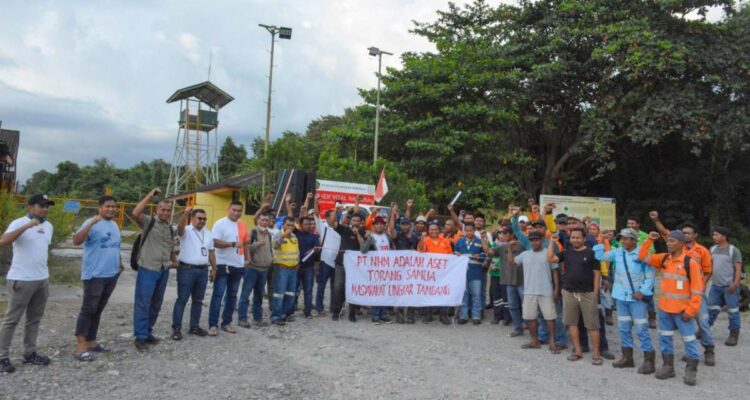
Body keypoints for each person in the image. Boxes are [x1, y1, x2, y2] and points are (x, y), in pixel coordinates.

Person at [638, 231, 703, 386]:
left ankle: (691, 371)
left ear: (681, 243)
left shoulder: (690, 263)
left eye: (672, 241)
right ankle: (668, 367)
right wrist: (649, 240)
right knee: (665, 338)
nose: (669, 243)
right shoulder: (664, 258)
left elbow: (697, 290)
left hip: (683, 312)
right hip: (665, 309)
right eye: (668, 241)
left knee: (689, 340)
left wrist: (691, 310)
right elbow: (642, 256)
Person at [650, 212, 716, 365]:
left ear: (695, 235)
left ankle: (708, 350)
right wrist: (655, 220)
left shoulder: (702, 251)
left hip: (695, 293)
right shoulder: (675, 248)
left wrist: (700, 285)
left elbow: (708, 271)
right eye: (684, 233)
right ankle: (689, 353)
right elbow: (664, 231)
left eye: (688, 233)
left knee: (703, 323)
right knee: (684, 328)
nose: (686, 235)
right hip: (678, 296)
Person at [0, 194, 55, 373]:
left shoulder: (48, 226)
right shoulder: (19, 222)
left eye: (47, 206)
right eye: (41, 205)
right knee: (11, 319)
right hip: (21, 279)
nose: (45, 209)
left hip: (41, 279)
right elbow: (4, 241)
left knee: (34, 318)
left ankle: (30, 352)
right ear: (30, 206)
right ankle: (2, 356)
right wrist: (27, 226)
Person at [593, 228, 656, 374]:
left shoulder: (643, 254)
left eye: (626, 238)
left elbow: (651, 276)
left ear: (634, 240)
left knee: (641, 329)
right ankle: (627, 358)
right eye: (622, 238)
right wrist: (601, 241)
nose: (623, 241)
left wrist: (643, 292)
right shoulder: (617, 252)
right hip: (621, 298)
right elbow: (599, 256)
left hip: (636, 299)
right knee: (623, 328)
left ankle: (649, 361)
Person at [72, 196, 122, 361]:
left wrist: (119, 265)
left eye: (114, 206)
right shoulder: (91, 222)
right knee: (88, 310)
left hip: (111, 274)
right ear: (100, 207)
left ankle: (91, 341)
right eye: (108, 206)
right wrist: (92, 223)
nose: (111, 209)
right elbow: (76, 241)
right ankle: (80, 347)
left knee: (98, 310)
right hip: (94, 275)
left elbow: (115, 246)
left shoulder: (114, 225)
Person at [548, 228, 603, 365]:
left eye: (578, 238)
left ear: (584, 239)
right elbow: (550, 258)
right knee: (572, 323)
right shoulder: (566, 253)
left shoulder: (592, 253)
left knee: (592, 325)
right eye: (573, 237)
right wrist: (551, 242)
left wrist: (595, 293)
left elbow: (597, 274)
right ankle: (577, 350)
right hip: (569, 292)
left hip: (587, 293)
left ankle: (596, 353)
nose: (575, 240)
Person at [131, 189, 176, 352]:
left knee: (156, 303)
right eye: (163, 209)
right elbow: (136, 212)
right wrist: (150, 195)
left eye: (168, 210)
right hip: (148, 268)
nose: (165, 212)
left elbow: (171, 247)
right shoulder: (149, 222)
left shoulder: (170, 228)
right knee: (143, 303)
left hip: (163, 269)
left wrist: (173, 262)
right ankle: (140, 336)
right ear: (157, 210)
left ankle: (148, 331)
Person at [509, 231, 561, 354]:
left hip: (546, 291)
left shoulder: (548, 254)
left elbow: (555, 272)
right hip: (529, 291)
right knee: (530, 317)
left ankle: (552, 342)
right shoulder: (525, 254)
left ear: (542, 241)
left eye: (537, 240)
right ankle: (534, 341)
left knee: (550, 318)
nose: (534, 242)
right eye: (532, 240)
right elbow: (511, 263)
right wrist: (510, 248)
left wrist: (556, 289)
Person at [171, 207, 215, 341]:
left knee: (198, 300)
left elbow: (211, 252)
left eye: (204, 219)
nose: (202, 221)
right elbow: (179, 230)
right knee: (182, 299)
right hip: (187, 269)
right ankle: (176, 328)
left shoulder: (208, 233)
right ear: (193, 218)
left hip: (202, 270)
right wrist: (185, 215)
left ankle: (194, 326)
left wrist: (214, 268)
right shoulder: (187, 230)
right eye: (199, 218)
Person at [208, 201, 249, 336]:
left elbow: (245, 243)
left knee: (232, 296)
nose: (237, 213)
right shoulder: (220, 223)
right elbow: (214, 242)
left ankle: (227, 323)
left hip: (238, 264)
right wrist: (232, 244)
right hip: (223, 264)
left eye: (239, 211)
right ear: (228, 209)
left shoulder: (242, 224)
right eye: (234, 210)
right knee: (218, 295)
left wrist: (247, 259)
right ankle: (213, 325)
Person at [708, 226, 742, 347]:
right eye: (714, 235)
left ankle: (733, 335)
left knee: (733, 311)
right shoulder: (712, 249)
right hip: (715, 286)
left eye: (716, 235)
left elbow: (738, 270)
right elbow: (710, 269)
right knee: (711, 309)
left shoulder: (733, 250)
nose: (714, 237)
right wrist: (705, 282)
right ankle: (704, 331)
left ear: (724, 236)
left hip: (729, 287)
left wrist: (735, 283)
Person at [239, 213, 274, 327]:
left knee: (259, 295)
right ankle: (242, 319)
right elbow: (246, 247)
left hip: (264, 269)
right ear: (258, 220)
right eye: (263, 219)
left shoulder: (268, 234)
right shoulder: (252, 232)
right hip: (252, 268)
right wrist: (256, 244)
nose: (265, 222)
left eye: (267, 220)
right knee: (245, 294)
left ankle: (257, 318)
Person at [418, 221, 454, 325]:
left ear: (439, 230)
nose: (433, 231)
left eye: (435, 229)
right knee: (429, 292)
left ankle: (443, 315)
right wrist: (422, 239)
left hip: (443, 273)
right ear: (428, 231)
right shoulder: (425, 240)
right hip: (429, 273)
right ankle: (428, 314)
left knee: (442, 292)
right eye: (431, 229)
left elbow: (450, 255)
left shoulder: (446, 241)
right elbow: (421, 252)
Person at [360, 215, 395, 324]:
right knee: (376, 292)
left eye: (381, 224)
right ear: (373, 226)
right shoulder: (371, 237)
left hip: (387, 269)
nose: (379, 226)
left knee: (385, 292)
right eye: (377, 224)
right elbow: (363, 250)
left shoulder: (387, 236)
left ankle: (383, 314)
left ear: (384, 226)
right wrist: (368, 239)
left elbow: (393, 249)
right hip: (376, 270)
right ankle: (375, 315)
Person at [388, 204, 419, 323]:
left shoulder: (415, 237)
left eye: (406, 224)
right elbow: (391, 229)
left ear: (410, 225)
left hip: (412, 268)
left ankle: (410, 313)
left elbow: (420, 250)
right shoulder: (397, 236)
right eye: (402, 224)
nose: (404, 226)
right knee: (401, 290)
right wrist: (392, 213)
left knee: (411, 290)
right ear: (400, 226)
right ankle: (400, 313)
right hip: (400, 268)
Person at [454, 223, 490, 325]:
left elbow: (485, 254)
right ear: (465, 231)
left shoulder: (479, 242)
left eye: (471, 230)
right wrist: (456, 254)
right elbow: (454, 252)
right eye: (467, 230)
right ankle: (463, 316)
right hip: (462, 274)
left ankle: (476, 316)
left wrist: (480, 256)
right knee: (464, 295)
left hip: (476, 273)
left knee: (476, 295)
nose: (469, 232)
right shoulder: (459, 241)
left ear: (474, 231)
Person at [270, 217, 300, 325]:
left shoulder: (294, 236)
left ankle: (285, 314)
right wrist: (283, 236)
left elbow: (296, 251)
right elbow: (274, 246)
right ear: (283, 225)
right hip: (281, 268)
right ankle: (275, 316)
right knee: (279, 293)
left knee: (290, 294)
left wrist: (297, 263)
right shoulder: (278, 234)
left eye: (292, 226)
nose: (290, 228)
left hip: (293, 269)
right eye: (288, 225)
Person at [314, 197, 341, 317]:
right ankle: (319, 308)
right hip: (325, 261)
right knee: (322, 285)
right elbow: (315, 214)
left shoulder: (340, 230)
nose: (336, 216)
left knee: (335, 287)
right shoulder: (323, 227)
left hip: (337, 262)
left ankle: (333, 308)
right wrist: (316, 202)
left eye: (337, 214)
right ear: (327, 217)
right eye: (334, 214)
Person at [496, 227, 525, 336]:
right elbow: (489, 252)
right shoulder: (501, 246)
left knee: (525, 306)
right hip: (509, 282)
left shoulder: (521, 246)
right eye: (501, 234)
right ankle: (518, 329)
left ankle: (530, 326)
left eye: (504, 234)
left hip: (522, 281)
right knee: (513, 306)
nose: (502, 236)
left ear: (511, 234)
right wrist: (484, 238)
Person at [294, 216, 321, 318]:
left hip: (309, 268)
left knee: (308, 290)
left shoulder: (314, 237)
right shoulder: (295, 234)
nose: (308, 226)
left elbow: (317, 252)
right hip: (296, 267)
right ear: (300, 225)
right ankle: (290, 310)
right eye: (305, 224)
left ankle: (307, 311)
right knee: (294, 289)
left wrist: (318, 250)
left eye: (309, 224)